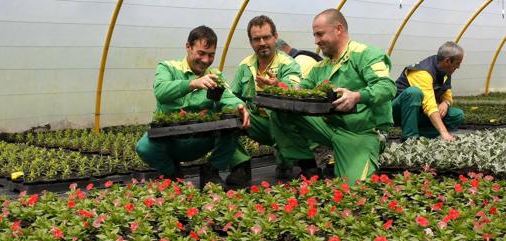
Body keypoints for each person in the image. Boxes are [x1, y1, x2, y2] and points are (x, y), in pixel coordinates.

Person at [270, 9, 396, 185]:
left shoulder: (365, 55)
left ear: (338, 29)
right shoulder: (321, 67)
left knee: (355, 191)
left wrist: (357, 96)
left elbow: (387, 86)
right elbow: (300, 91)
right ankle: (308, 165)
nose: (316, 41)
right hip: (329, 128)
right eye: (314, 35)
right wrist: (281, 88)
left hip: (359, 133)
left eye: (320, 34)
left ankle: (354, 157)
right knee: (281, 110)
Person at [135, 25, 250, 188]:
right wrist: (192, 83)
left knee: (234, 124)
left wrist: (240, 106)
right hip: (171, 141)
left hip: (202, 141)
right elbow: (161, 91)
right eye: (201, 53)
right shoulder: (168, 68)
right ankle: (172, 172)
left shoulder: (214, 75)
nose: (206, 60)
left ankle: (212, 170)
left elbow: (227, 96)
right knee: (144, 147)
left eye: (211, 55)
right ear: (188, 47)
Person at [225, 15, 302, 186]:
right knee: (228, 115)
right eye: (256, 39)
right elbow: (232, 96)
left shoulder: (288, 63)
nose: (262, 43)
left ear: (275, 37)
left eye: (266, 37)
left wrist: (278, 86)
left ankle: (288, 163)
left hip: (284, 124)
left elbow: (295, 89)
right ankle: (240, 166)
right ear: (251, 42)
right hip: (257, 124)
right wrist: (236, 106)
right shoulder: (245, 66)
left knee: (280, 112)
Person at [393, 42, 465, 142]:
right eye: (457, 63)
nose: (458, 67)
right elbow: (429, 105)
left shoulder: (445, 70)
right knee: (414, 92)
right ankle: (409, 139)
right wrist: (444, 132)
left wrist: (445, 103)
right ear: (447, 61)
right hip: (398, 112)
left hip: (419, 112)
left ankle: (421, 134)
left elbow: (447, 94)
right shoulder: (423, 72)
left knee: (457, 115)